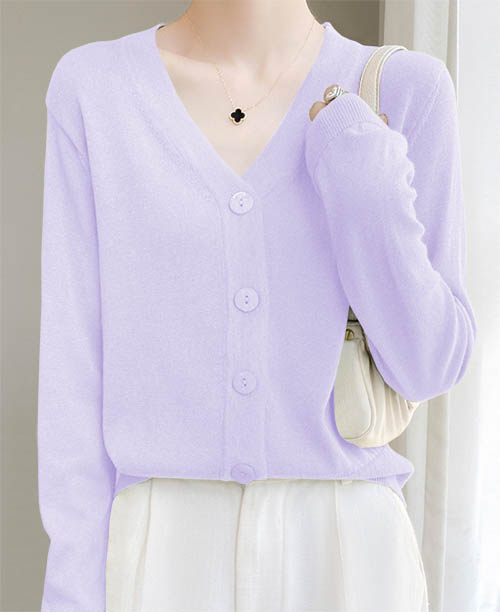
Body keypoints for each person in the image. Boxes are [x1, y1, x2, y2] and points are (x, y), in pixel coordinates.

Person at [38, 1, 476, 611]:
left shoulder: (405, 88)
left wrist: (362, 178)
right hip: (161, 553)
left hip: (348, 553)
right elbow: (72, 375)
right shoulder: (95, 90)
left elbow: (429, 367)